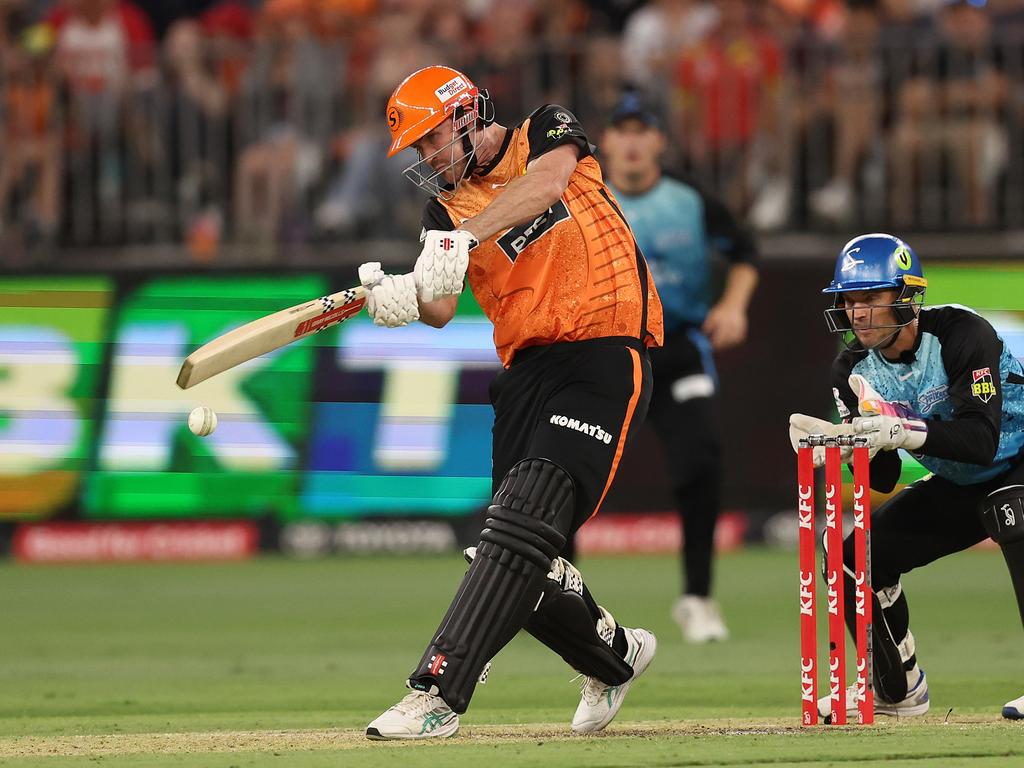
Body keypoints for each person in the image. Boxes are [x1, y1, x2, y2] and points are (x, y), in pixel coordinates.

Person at [358, 65, 664, 740]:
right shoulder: (443, 207)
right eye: (417, 151)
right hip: (525, 373)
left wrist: (462, 241)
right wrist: (400, 297)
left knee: (521, 526)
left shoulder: (544, 130)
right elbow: (440, 305)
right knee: (512, 553)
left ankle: (436, 692)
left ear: (467, 113)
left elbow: (546, 186)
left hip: (604, 349)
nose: (427, 159)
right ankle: (615, 658)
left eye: (430, 140)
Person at [789, 233, 1024, 721]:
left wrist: (899, 428)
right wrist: (849, 443)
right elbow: (885, 475)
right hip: (961, 482)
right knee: (852, 556)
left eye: (870, 299)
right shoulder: (851, 367)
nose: (857, 313)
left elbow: (982, 441)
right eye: (849, 301)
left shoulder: (963, 333)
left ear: (906, 297)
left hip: (1017, 460)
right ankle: (898, 689)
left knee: (1013, 512)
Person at [598, 89, 759, 643]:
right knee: (569, 471)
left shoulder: (691, 199)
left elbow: (745, 253)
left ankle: (698, 599)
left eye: (644, 130)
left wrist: (733, 306)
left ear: (660, 141)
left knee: (701, 462)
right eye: (623, 131)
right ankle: (552, 597)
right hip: (609, 349)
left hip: (679, 345)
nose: (634, 142)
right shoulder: (586, 198)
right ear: (607, 142)